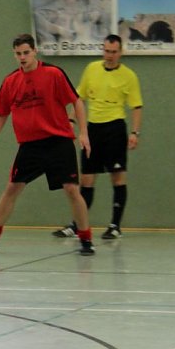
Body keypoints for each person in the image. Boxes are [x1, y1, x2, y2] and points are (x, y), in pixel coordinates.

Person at [0, 34, 96, 256]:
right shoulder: (10, 82)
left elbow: (76, 101)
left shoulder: (53, 74)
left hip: (58, 141)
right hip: (30, 146)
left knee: (72, 190)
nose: (22, 57)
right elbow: (0, 114)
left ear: (35, 51)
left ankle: (86, 239)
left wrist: (83, 133)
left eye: (26, 53)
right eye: (18, 54)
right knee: (12, 188)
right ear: (14, 55)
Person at [52, 35, 143, 240]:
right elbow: (79, 98)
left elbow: (137, 106)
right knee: (86, 179)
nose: (109, 55)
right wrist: (71, 122)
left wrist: (135, 133)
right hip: (93, 129)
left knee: (117, 177)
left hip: (115, 129)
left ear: (120, 52)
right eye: (107, 51)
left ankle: (115, 226)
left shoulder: (129, 76)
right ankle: (77, 225)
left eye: (114, 52)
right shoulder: (91, 69)